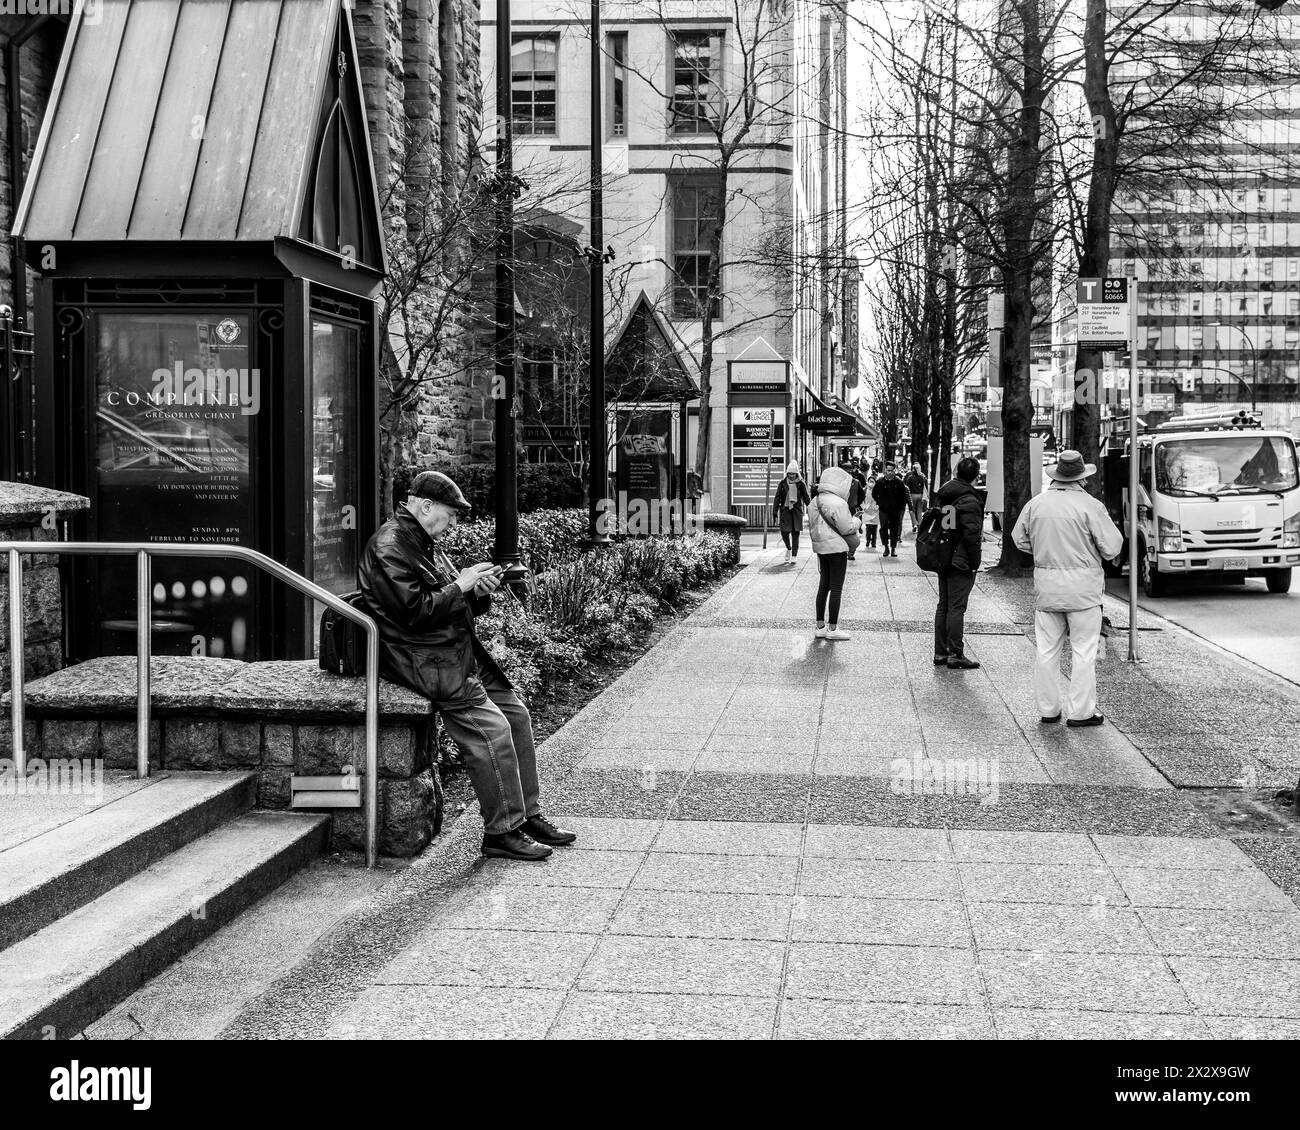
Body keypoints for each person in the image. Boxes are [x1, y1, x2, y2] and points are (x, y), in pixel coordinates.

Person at [357, 470, 577, 861]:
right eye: (451, 513)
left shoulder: (419, 540)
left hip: (453, 652)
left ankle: (526, 815)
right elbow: (416, 612)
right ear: (426, 506)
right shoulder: (391, 545)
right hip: (426, 660)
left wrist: (475, 592)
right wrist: (461, 585)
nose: (455, 523)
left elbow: (443, 603)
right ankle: (501, 831)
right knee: (491, 732)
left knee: (517, 716)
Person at [1011, 451, 1124, 727]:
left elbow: (1019, 539)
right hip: (1084, 593)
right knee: (1084, 652)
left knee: (1046, 651)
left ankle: (1049, 710)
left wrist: (1042, 552)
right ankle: (1081, 712)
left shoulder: (1035, 505)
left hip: (1047, 592)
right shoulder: (1091, 506)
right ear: (1081, 478)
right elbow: (1112, 547)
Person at [932, 457, 985, 670]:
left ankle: (940, 652)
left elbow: (944, 524)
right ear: (975, 475)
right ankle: (955, 653)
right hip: (960, 559)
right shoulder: (970, 500)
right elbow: (972, 535)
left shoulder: (945, 494)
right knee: (956, 608)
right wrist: (975, 561)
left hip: (943, 554)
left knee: (944, 605)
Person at [807, 465, 859, 640]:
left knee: (823, 586)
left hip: (821, 548)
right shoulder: (838, 502)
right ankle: (833, 628)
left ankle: (820, 626)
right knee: (836, 588)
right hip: (837, 549)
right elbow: (846, 528)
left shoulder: (814, 501)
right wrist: (857, 521)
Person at [772, 460, 811, 565]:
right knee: (784, 532)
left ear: (797, 473)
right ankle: (788, 549)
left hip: (797, 511)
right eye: (789, 473)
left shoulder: (801, 483)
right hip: (785, 511)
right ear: (787, 473)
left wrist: (811, 509)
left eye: (793, 473)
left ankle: (794, 555)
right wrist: (775, 511)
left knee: (795, 533)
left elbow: (806, 497)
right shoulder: (782, 483)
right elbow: (777, 498)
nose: (791, 476)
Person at [872, 463, 910, 557]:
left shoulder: (899, 482)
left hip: (895, 510)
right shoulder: (880, 481)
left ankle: (893, 548)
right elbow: (874, 493)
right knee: (883, 527)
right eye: (888, 470)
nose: (889, 472)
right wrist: (879, 502)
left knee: (894, 528)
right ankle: (886, 547)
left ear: (894, 471)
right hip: (883, 509)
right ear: (885, 470)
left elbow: (903, 496)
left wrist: (900, 507)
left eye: (891, 470)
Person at [904, 463, 928, 530]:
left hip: (913, 495)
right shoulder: (923, 477)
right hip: (920, 495)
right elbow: (925, 487)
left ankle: (914, 524)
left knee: (912, 510)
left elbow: (907, 487)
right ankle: (920, 525)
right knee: (919, 511)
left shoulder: (910, 477)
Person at [861, 469, 880, 550]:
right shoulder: (864, 490)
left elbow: (880, 499)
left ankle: (874, 543)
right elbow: (861, 499)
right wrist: (863, 507)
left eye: (873, 481)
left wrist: (878, 506)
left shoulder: (878, 490)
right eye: (870, 481)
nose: (871, 483)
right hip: (867, 511)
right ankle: (868, 541)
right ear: (867, 482)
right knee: (868, 528)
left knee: (875, 528)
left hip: (875, 511)